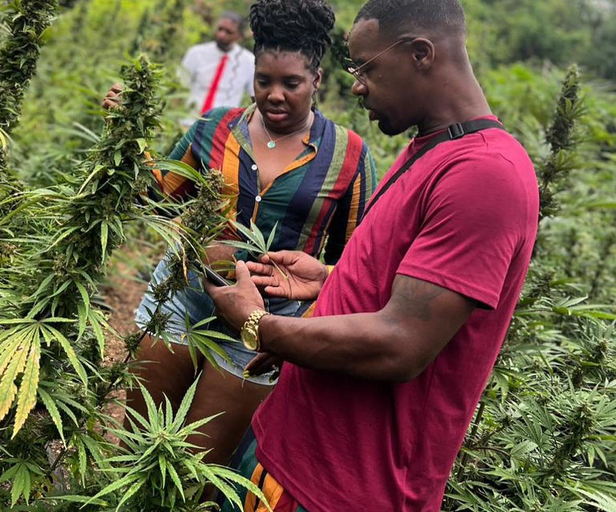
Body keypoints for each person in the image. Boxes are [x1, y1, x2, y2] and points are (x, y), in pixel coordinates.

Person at [206, 0, 540, 510]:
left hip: (339, 487)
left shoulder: (485, 175)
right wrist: (332, 280)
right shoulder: (429, 150)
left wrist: (257, 325)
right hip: (287, 446)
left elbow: (400, 342)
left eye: (366, 68)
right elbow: (410, 285)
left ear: (421, 53)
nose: (357, 85)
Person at [121, 0, 377, 468]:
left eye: (291, 83)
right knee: (136, 445)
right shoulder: (214, 126)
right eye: (264, 81)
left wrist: (314, 307)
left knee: (195, 469)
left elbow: (358, 262)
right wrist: (127, 135)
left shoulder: (349, 156)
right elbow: (157, 199)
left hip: (266, 325)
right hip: (182, 296)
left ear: (316, 81)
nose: (275, 95)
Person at [181, 11, 255, 120]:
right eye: (220, 29)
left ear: (239, 36)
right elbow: (178, 87)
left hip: (221, 127)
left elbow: (255, 98)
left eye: (228, 32)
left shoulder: (249, 61)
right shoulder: (195, 53)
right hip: (189, 121)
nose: (221, 35)